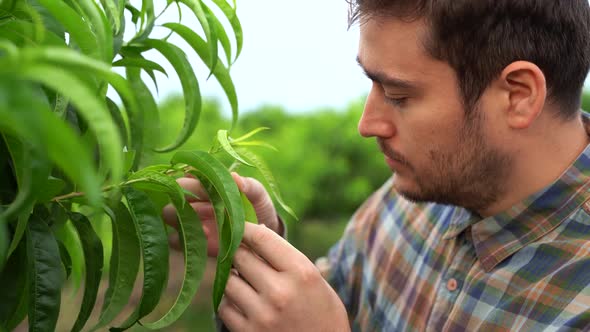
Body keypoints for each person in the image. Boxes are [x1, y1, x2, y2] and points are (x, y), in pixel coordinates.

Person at [164, 0, 590, 330]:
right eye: (372, 83)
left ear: (518, 95)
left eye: (400, 96)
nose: (368, 125)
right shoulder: (411, 198)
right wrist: (260, 250)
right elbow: (331, 303)